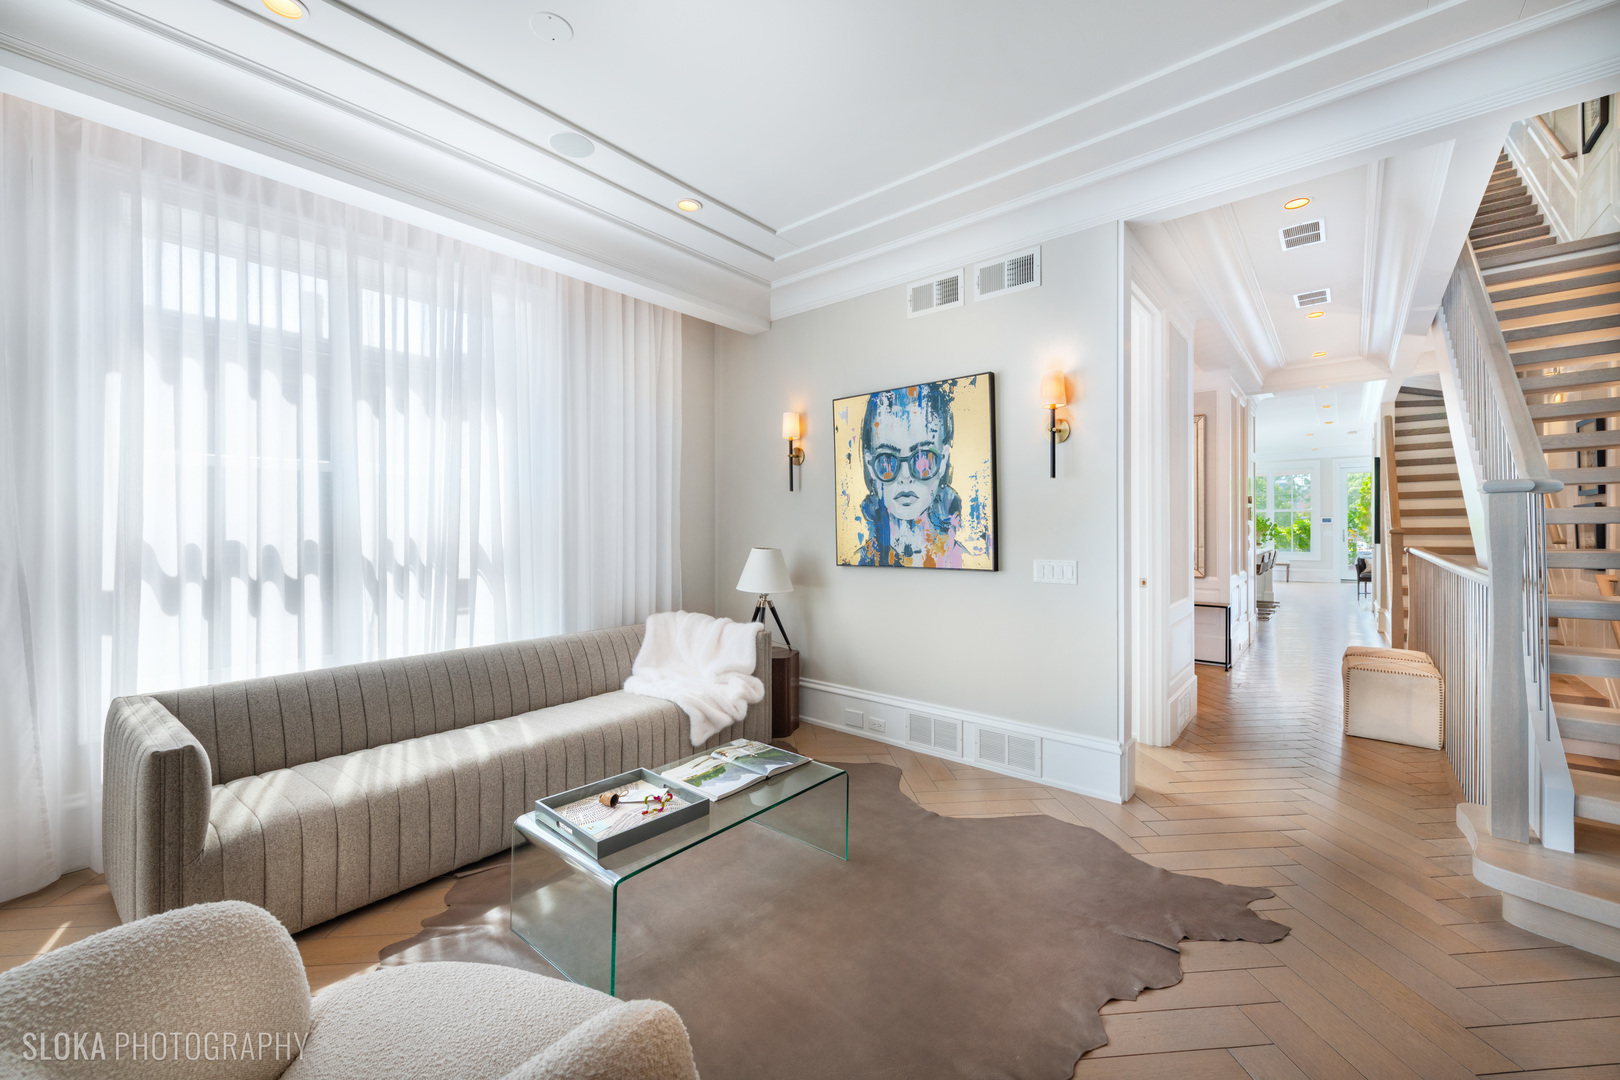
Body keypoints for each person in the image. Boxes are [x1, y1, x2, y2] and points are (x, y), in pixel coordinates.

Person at [855, 382, 969, 568]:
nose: (905, 476)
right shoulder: (859, 561)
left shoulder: (963, 560)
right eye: (887, 460)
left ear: (943, 461)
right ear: (870, 465)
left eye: (923, 458)